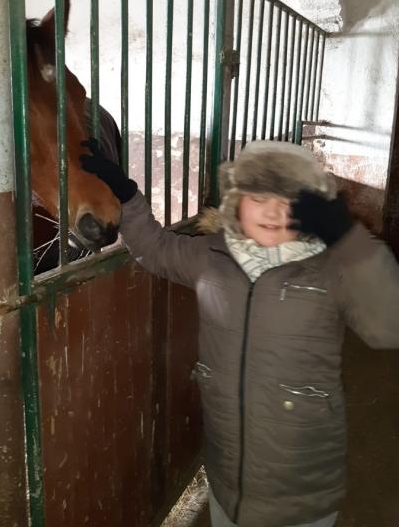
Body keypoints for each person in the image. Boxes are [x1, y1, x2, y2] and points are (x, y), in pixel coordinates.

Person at [80, 138, 399, 527]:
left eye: (290, 199)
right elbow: (155, 248)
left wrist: (348, 238)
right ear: (236, 202)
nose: (273, 211)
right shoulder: (211, 256)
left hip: (303, 484)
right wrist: (127, 196)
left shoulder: (334, 268)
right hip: (227, 476)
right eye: (258, 196)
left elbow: (389, 323)